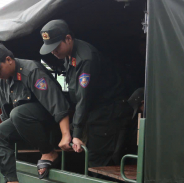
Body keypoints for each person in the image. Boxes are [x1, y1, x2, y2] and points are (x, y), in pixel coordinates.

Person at [0, 43, 71, 183]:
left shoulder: (31, 70)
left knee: (19, 114)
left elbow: (57, 103)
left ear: (8, 60)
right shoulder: (3, 79)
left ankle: (48, 153)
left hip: (50, 118)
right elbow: (6, 113)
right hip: (26, 122)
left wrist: (66, 134)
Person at [39, 19, 134, 167]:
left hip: (108, 114)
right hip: (94, 112)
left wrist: (76, 134)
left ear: (68, 39)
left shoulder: (86, 59)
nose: (53, 52)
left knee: (98, 160)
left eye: (56, 47)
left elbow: (84, 98)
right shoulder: (67, 56)